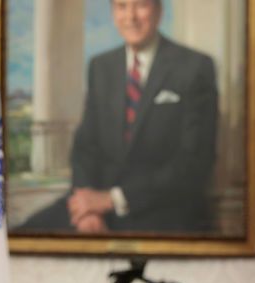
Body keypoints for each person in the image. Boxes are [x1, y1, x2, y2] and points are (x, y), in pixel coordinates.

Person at [19, 0, 218, 234]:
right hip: (96, 205)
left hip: (162, 209)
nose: (130, 17)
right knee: (19, 237)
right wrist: (88, 208)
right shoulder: (101, 66)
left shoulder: (195, 67)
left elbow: (194, 162)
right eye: (121, 6)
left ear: (159, 11)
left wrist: (113, 199)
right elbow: (85, 147)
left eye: (140, 6)